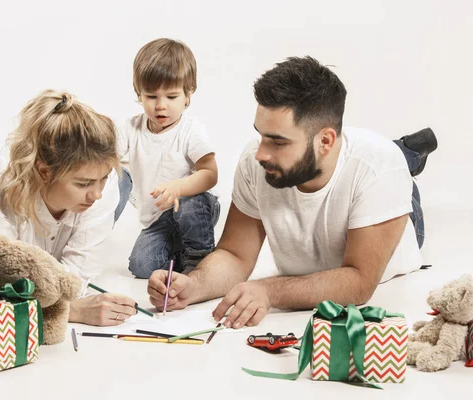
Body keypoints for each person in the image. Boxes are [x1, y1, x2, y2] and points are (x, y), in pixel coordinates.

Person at [146, 56, 437, 329]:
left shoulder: (380, 170)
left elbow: (358, 282)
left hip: (393, 211)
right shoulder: (256, 160)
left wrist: (269, 290)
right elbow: (235, 255)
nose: (260, 153)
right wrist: (193, 285)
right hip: (338, 165)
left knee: (392, 164)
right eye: (260, 135)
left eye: (278, 142)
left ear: (325, 141)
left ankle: (408, 152)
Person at [0, 89, 137, 326]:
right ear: (45, 171)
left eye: (102, 178)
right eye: (83, 183)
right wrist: (73, 312)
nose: (96, 194)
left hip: (69, 217)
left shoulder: (103, 190)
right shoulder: (1, 195)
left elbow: (74, 282)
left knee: (121, 185)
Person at [117, 38, 220, 278]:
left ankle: (199, 255)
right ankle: (178, 253)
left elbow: (210, 173)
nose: (161, 106)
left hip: (191, 208)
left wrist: (179, 187)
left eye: (171, 97)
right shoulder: (131, 128)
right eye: (152, 96)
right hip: (156, 219)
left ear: (188, 95)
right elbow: (107, 157)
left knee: (189, 205)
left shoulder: (190, 130)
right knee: (141, 266)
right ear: (139, 94)